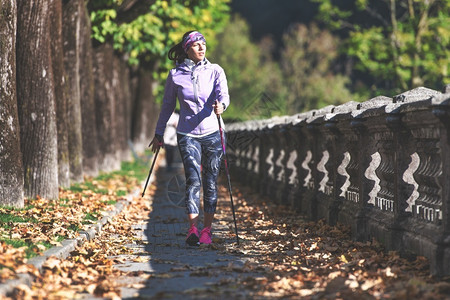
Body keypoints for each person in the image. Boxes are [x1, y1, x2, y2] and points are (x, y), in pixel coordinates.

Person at [149, 31, 230, 246]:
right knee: (193, 180)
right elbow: (167, 106)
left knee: (210, 182)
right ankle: (192, 229)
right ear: (187, 49)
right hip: (187, 134)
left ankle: (207, 230)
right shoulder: (175, 75)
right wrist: (159, 133)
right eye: (196, 45)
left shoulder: (215, 71)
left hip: (212, 133)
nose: (202, 48)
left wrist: (221, 106)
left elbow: (224, 96)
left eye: (203, 44)